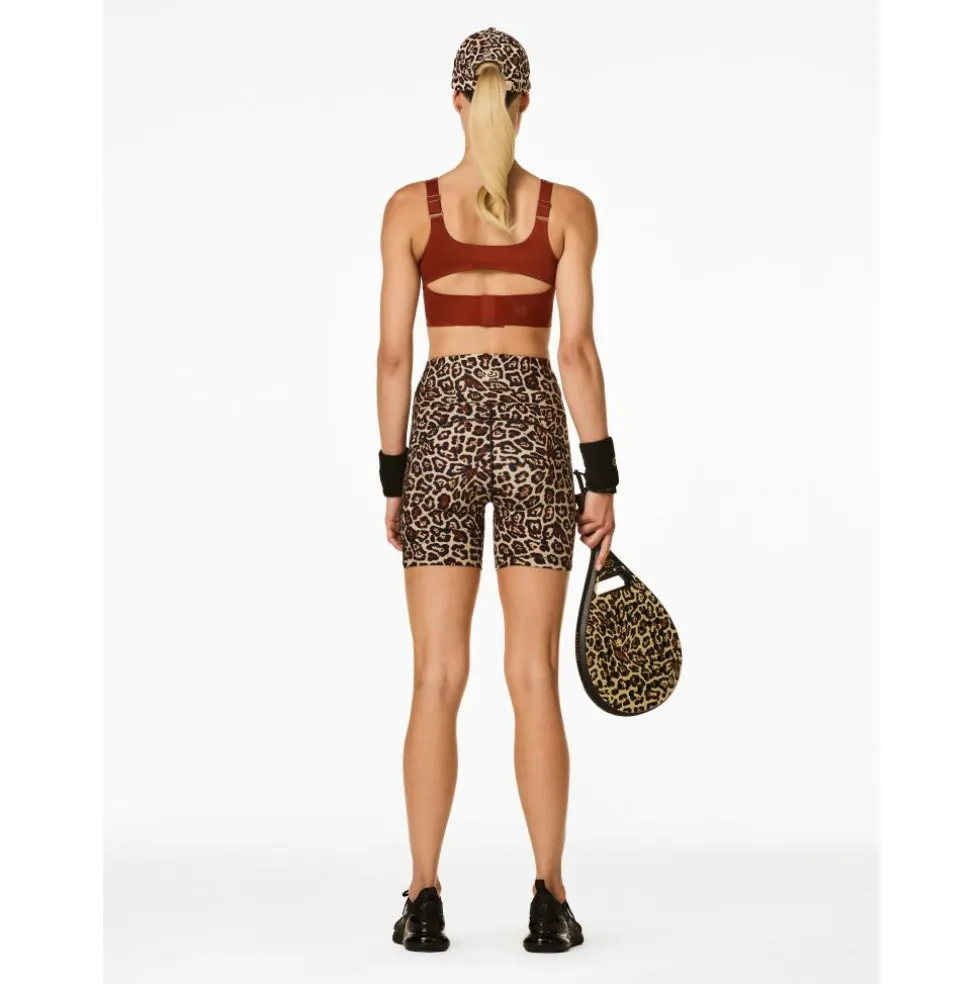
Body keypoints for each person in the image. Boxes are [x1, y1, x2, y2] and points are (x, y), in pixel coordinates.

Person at [376, 26, 620, 954]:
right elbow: (577, 353)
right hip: (530, 429)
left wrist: (395, 475)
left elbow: (393, 356)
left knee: (436, 676)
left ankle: (422, 897)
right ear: (524, 104)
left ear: (455, 101)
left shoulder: (411, 211)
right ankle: (550, 900)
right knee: (532, 676)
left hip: (439, 428)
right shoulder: (566, 211)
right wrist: (601, 476)